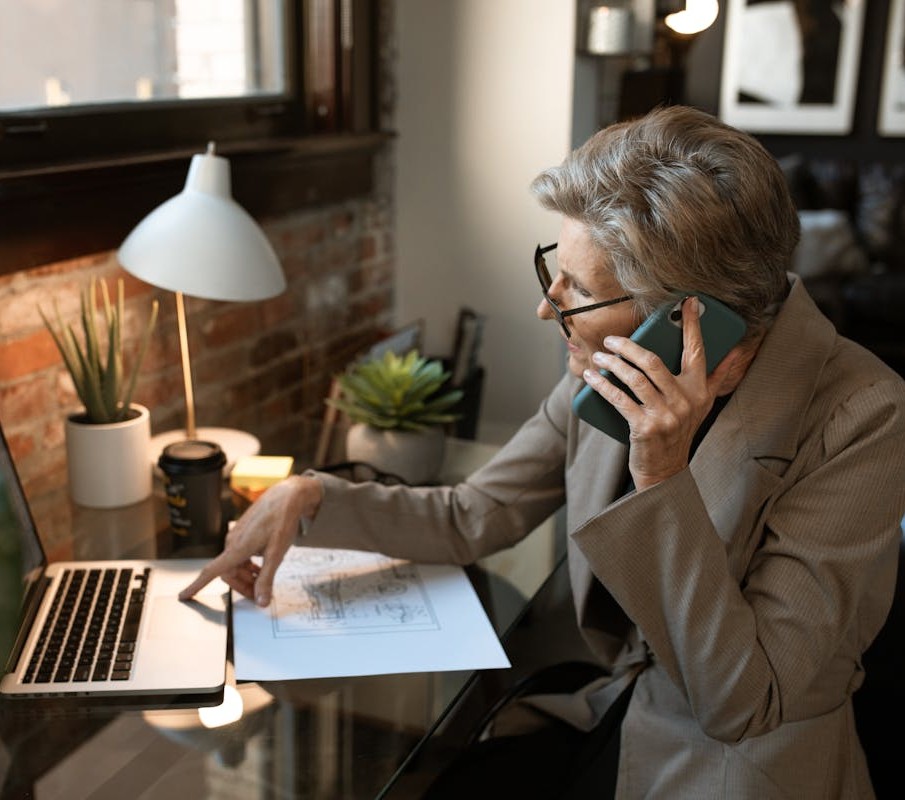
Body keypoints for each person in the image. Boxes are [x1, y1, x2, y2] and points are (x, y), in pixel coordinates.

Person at [180, 105, 905, 798]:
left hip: (738, 768)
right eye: (551, 266)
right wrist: (312, 495)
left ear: (686, 322)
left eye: (578, 288)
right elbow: (476, 512)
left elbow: (740, 704)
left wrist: (660, 472)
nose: (545, 304)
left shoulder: (862, 416)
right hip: (608, 714)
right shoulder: (605, 369)